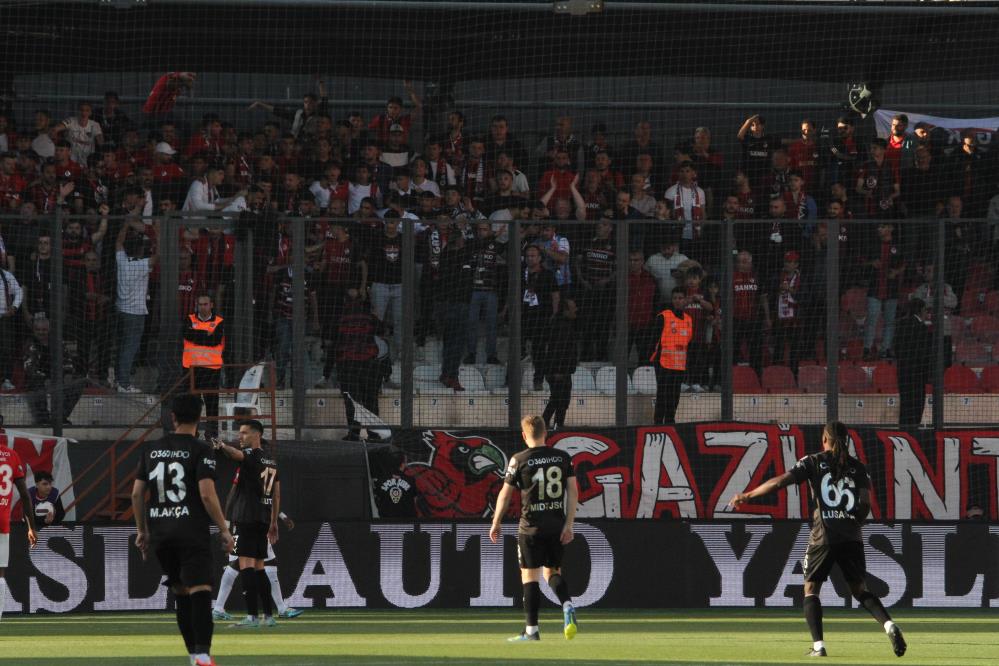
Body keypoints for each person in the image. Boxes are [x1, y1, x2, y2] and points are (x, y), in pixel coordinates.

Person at [729, 421, 906, 659]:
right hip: (852, 537)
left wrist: (747, 495)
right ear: (846, 440)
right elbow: (865, 504)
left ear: (824, 439)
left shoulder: (813, 461)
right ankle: (889, 626)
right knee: (860, 590)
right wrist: (853, 523)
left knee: (811, 589)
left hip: (823, 535)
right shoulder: (859, 467)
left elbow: (781, 481)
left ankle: (819, 646)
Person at [131, 393, 234, 666]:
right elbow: (207, 495)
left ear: (172, 417)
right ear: (200, 418)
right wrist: (224, 529)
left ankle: (192, 656)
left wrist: (142, 531)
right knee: (200, 590)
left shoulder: (151, 450)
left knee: (180, 592)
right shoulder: (201, 449)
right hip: (191, 532)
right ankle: (202, 655)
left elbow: (136, 495)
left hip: (162, 534)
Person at [489, 415, 578, 642]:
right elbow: (573, 492)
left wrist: (496, 522)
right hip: (556, 526)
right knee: (552, 572)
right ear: (545, 433)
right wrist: (568, 525)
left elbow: (505, 495)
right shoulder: (563, 457)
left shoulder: (519, 460)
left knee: (529, 577)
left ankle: (532, 631)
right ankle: (567, 604)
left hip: (530, 527)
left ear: (523, 435)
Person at [213, 420, 280, 628]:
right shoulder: (272, 461)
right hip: (262, 518)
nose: (239, 436)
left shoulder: (252, 455)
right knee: (260, 567)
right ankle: (268, 616)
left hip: (247, 517)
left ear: (256, 434)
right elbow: (277, 495)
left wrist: (222, 446)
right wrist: (274, 522)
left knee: (246, 566)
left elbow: (236, 455)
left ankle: (252, 617)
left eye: (243, 433)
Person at [115, 219, 157, 393]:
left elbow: (118, 242)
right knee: (130, 347)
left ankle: (119, 380)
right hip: (136, 313)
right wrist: (159, 235)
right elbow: (158, 256)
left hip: (121, 310)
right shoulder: (142, 265)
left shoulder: (122, 261)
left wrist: (127, 222)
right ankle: (123, 383)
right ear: (140, 250)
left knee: (123, 346)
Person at [22, 316, 86, 426]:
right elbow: (29, 368)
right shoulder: (30, 344)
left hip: (57, 378)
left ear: (49, 330)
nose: (41, 332)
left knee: (79, 382)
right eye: (38, 330)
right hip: (39, 379)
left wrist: (67, 375)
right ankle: (43, 420)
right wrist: (47, 379)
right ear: (34, 330)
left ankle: (59, 417)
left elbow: (68, 362)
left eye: (44, 330)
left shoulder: (57, 342)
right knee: (37, 383)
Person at [0, 441, 38, 622]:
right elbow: (25, 495)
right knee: (0, 572)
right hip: (2, 522)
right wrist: (31, 527)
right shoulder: (12, 456)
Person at [182, 295, 225, 437]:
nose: (203, 307)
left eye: (205, 304)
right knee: (191, 403)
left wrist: (197, 335)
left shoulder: (220, 321)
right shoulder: (189, 319)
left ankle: (212, 434)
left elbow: (215, 340)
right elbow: (187, 334)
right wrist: (206, 334)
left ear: (211, 305)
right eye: (200, 304)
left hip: (211, 368)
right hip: (191, 368)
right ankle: (191, 433)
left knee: (211, 402)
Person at [650, 287, 692, 424]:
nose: (677, 301)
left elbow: (688, 342)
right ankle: (657, 423)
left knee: (675, 395)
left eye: (680, 298)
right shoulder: (664, 316)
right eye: (675, 298)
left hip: (679, 364)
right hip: (663, 362)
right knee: (663, 394)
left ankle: (670, 421)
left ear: (685, 300)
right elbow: (654, 338)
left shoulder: (688, 320)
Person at [537, 299, 579, 431]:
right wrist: (559, 370)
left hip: (562, 370)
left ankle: (552, 425)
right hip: (558, 371)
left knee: (559, 399)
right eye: (573, 307)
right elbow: (558, 350)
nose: (576, 309)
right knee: (559, 400)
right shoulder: (561, 326)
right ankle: (553, 426)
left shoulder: (564, 325)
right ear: (565, 310)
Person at [895, 298, 933, 427]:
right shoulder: (921, 327)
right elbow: (924, 352)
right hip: (917, 372)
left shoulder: (900, 324)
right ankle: (913, 432)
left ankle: (903, 432)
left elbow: (895, 347)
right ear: (921, 310)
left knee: (905, 404)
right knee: (916, 404)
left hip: (903, 372)